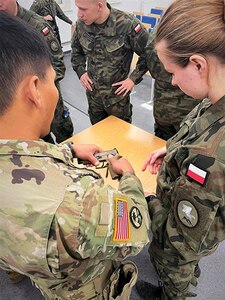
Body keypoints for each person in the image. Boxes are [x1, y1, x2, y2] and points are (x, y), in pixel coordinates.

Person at [0, 11, 150, 299]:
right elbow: (136, 227)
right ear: (34, 89)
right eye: (52, 79)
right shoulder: (80, 202)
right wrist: (130, 176)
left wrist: (64, 151)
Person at [136, 0, 225, 299]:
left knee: (176, 275)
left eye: (173, 72)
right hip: (199, 218)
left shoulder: (208, 158)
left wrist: (144, 196)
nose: (171, 81)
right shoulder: (214, 96)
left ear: (199, 64)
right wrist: (174, 150)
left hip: (183, 238)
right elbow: (198, 129)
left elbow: (179, 240)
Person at [0, 0, 74, 144]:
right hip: (13, 112)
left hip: (46, 99)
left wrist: (39, 84)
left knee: (65, 136)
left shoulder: (37, 26)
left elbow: (58, 64)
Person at [71, 0, 148, 125]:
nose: (79, 14)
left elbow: (148, 54)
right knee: (98, 135)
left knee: (120, 137)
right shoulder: (81, 25)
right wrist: (81, 71)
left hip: (117, 99)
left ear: (99, 6)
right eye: (77, 8)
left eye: (83, 9)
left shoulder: (127, 24)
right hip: (93, 96)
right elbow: (76, 52)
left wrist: (133, 79)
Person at [145, 28, 198, 140]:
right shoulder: (198, 33)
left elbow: (151, 65)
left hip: (162, 104)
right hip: (188, 109)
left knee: (162, 144)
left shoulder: (158, 32)